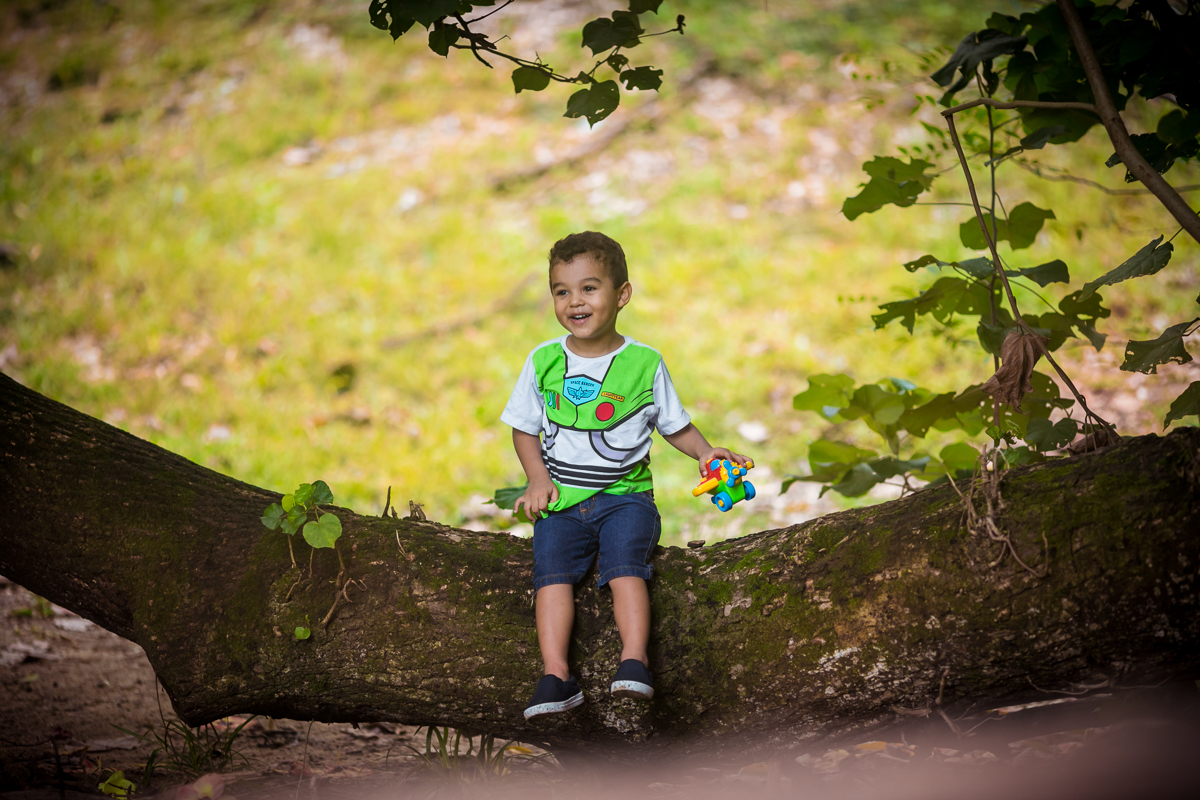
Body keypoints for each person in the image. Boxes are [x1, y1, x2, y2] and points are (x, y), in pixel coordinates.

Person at [500, 231, 751, 721]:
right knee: (551, 574)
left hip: (625, 498)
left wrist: (705, 452)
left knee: (625, 566)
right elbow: (523, 428)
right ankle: (556, 676)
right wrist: (536, 479)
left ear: (622, 295)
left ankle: (634, 662)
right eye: (562, 291)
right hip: (562, 502)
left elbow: (674, 425)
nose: (575, 301)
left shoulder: (643, 363)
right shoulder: (543, 360)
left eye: (589, 288)